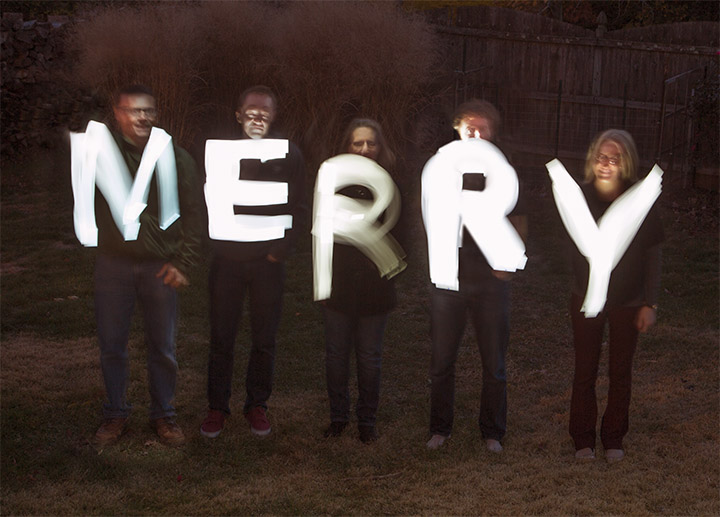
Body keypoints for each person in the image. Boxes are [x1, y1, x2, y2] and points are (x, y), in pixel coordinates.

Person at [91, 84, 204, 447]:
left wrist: (183, 262)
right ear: (117, 113)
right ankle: (115, 413)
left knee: (163, 346)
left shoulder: (174, 157)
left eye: (148, 111)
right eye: (133, 110)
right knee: (112, 345)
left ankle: (164, 416)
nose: (141, 117)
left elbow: (194, 213)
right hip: (113, 266)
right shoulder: (101, 156)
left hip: (159, 267)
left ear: (155, 115)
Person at [201, 86, 306, 438]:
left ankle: (257, 404)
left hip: (268, 263)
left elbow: (300, 204)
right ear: (238, 114)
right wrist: (213, 241)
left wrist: (281, 249)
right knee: (221, 336)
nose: (258, 116)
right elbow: (206, 201)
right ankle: (217, 407)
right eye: (251, 110)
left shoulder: (288, 153)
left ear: (274, 116)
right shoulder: (221, 153)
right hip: (228, 261)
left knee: (264, 337)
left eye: (265, 111)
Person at [423, 100, 527, 452]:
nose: (476, 134)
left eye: (483, 129)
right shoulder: (441, 169)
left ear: (493, 134)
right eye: (470, 128)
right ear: (457, 129)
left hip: (489, 281)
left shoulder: (501, 172)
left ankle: (493, 432)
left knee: (494, 363)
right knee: (441, 361)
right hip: (448, 280)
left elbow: (521, 218)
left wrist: (509, 262)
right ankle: (440, 428)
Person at [565, 129, 663, 463]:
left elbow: (653, 252)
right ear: (593, 160)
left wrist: (650, 302)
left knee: (621, 371)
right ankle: (582, 439)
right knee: (585, 370)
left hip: (628, 299)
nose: (607, 164)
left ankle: (613, 437)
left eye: (615, 157)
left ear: (627, 162)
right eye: (601, 157)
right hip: (586, 297)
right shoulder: (579, 197)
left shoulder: (640, 200)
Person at [319, 118, 404, 443]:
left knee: (370, 358)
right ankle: (338, 418)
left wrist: (384, 270)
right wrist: (324, 280)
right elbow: (321, 233)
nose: (365, 149)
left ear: (380, 147)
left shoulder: (390, 184)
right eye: (358, 143)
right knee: (336, 355)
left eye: (371, 143)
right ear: (347, 146)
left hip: (375, 288)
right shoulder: (332, 182)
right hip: (337, 286)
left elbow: (402, 237)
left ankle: (367, 421)